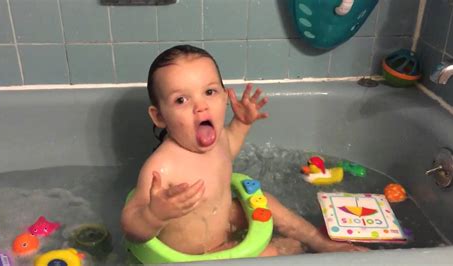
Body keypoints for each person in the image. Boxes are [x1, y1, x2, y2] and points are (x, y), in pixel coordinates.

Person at [120, 45, 367, 257]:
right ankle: (286, 248)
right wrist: (155, 215)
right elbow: (131, 227)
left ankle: (320, 242)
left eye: (209, 92)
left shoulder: (218, 142)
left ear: (225, 97)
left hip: (223, 222)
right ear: (159, 116)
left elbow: (230, 146)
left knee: (267, 202)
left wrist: (242, 123)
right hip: (197, 256)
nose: (201, 106)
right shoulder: (162, 168)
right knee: (278, 251)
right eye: (181, 100)